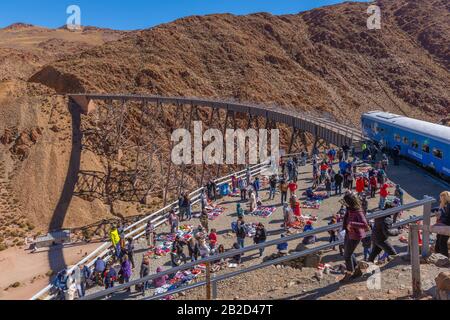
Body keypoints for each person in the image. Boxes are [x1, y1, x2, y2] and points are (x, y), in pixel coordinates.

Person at [340, 193, 370, 283]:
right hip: (348, 234)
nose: (344, 203)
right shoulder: (350, 209)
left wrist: (352, 224)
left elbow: (365, 225)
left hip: (355, 236)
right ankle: (357, 271)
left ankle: (349, 273)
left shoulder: (358, 211)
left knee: (347, 255)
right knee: (348, 252)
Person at [435, 191, 450, 257]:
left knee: (442, 241)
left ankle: (444, 258)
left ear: (445, 198)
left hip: (446, 226)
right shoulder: (445, 204)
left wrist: (440, 216)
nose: (440, 199)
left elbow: (447, 217)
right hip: (443, 225)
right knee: (438, 239)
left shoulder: (448, 205)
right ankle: (438, 254)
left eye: (441, 198)